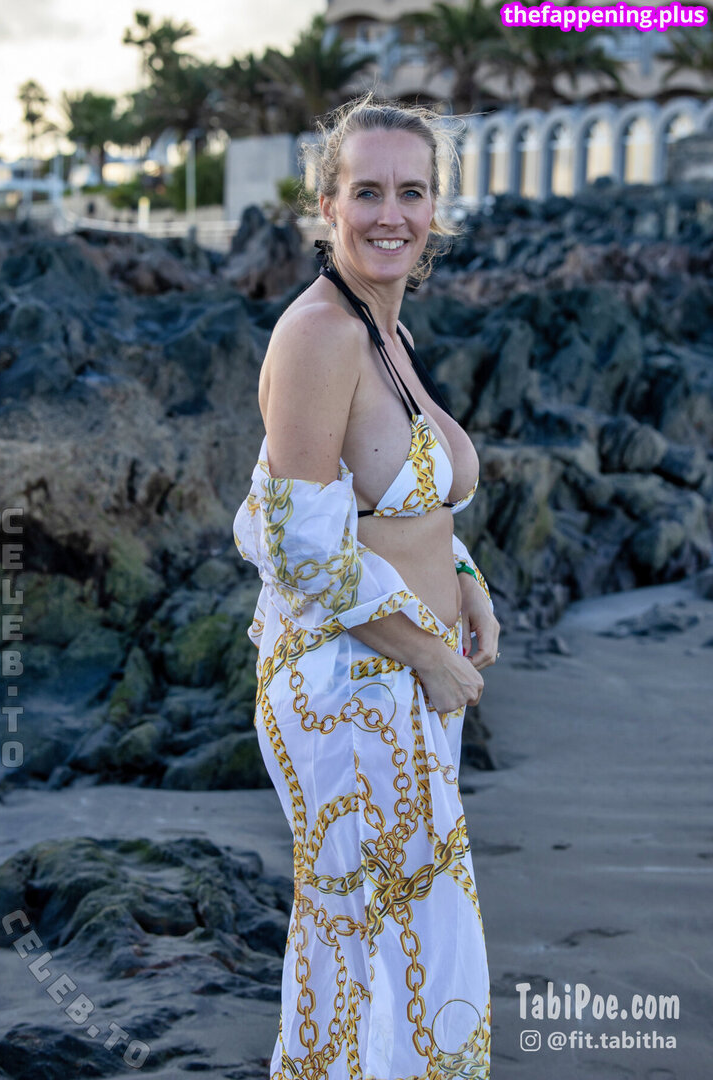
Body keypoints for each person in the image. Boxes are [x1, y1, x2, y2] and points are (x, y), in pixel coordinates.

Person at [233, 93, 500, 1080]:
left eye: (413, 192)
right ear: (327, 203)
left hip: (402, 676)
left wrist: (465, 580)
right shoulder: (319, 336)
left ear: (437, 208)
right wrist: (430, 655)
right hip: (350, 684)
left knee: (375, 953)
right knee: (402, 952)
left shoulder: (387, 331)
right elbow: (300, 548)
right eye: (368, 192)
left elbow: (394, 506)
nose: (393, 214)